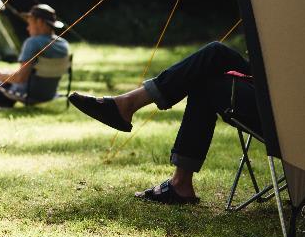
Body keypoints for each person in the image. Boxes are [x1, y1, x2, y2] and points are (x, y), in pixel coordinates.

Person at [68, 41, 254, 204]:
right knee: (212, 58)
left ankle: (127, 104)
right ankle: (180, 183)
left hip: (275, 111)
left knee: (211, 61)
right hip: (273, 100)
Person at [0, 4, 70, 108]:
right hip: (49, 94)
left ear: (39, 22)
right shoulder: (63, 44)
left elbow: (21, 78)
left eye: (29, 23)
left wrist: (0, 75)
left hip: (29, 93)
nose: (28, 28)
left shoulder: (33, 42)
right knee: (1, 82)